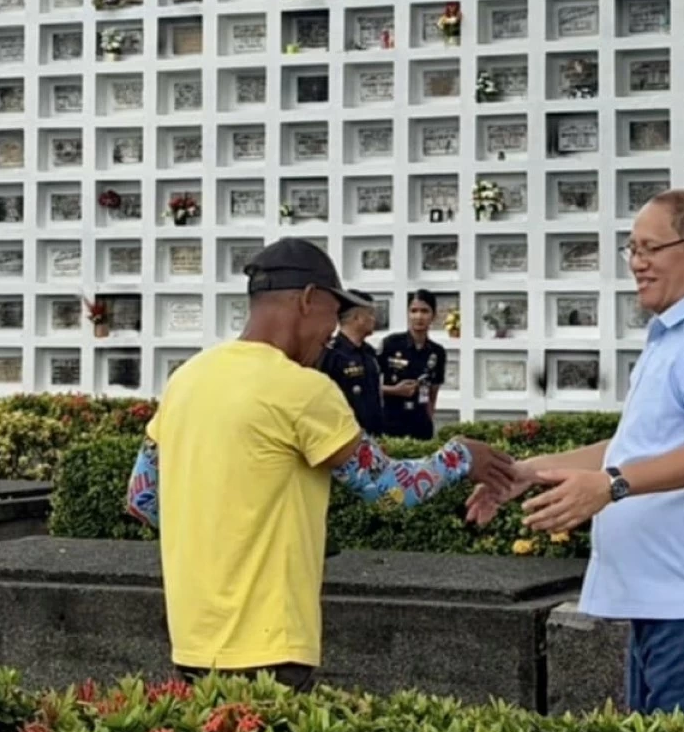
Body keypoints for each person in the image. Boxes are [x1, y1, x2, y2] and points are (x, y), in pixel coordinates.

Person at [125, 237, 514, 688]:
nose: (333, 331)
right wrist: (462, 455)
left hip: (192, 641)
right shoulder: (303, 390)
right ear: (309, 300)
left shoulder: (186, 379)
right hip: (271, 650)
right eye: (334, 312)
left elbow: (143, 498)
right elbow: (391, 491)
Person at [466, 189, 684, 717]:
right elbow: (633, 447)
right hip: (662, 596)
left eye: (651, 248)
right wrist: (525, 473)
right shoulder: (672, 337)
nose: (637, 263)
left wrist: (611, 486)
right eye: (631, 249)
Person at [379, 290, 446, 440]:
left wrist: (429, 420)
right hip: (391, 423)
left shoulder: (437, 352)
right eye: (414, 311)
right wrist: (395, 390)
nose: (419, 317)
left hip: (420, 425)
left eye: (424, 311)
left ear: (433, 316)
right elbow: (369, 386)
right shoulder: (391, 343)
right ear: (408, 314)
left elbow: (432, 394)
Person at [317, 289, 384, 436]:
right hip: (343, 437)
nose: (374, 319)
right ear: (357, 318)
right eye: (370, 314)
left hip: (373, 436)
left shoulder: (369, 352)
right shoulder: (331, 354)